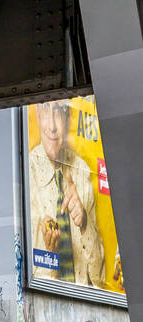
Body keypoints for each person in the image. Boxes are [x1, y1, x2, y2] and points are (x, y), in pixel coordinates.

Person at [28, 100, 106, 287]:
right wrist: (50, 254)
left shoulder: (81, 170)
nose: (53, 126)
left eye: (59, 111)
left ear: (67, 117)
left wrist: (85, 223)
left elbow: (99, 279)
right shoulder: (26, 171)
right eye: (46, 109)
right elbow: (25, 289)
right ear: (37, 113)